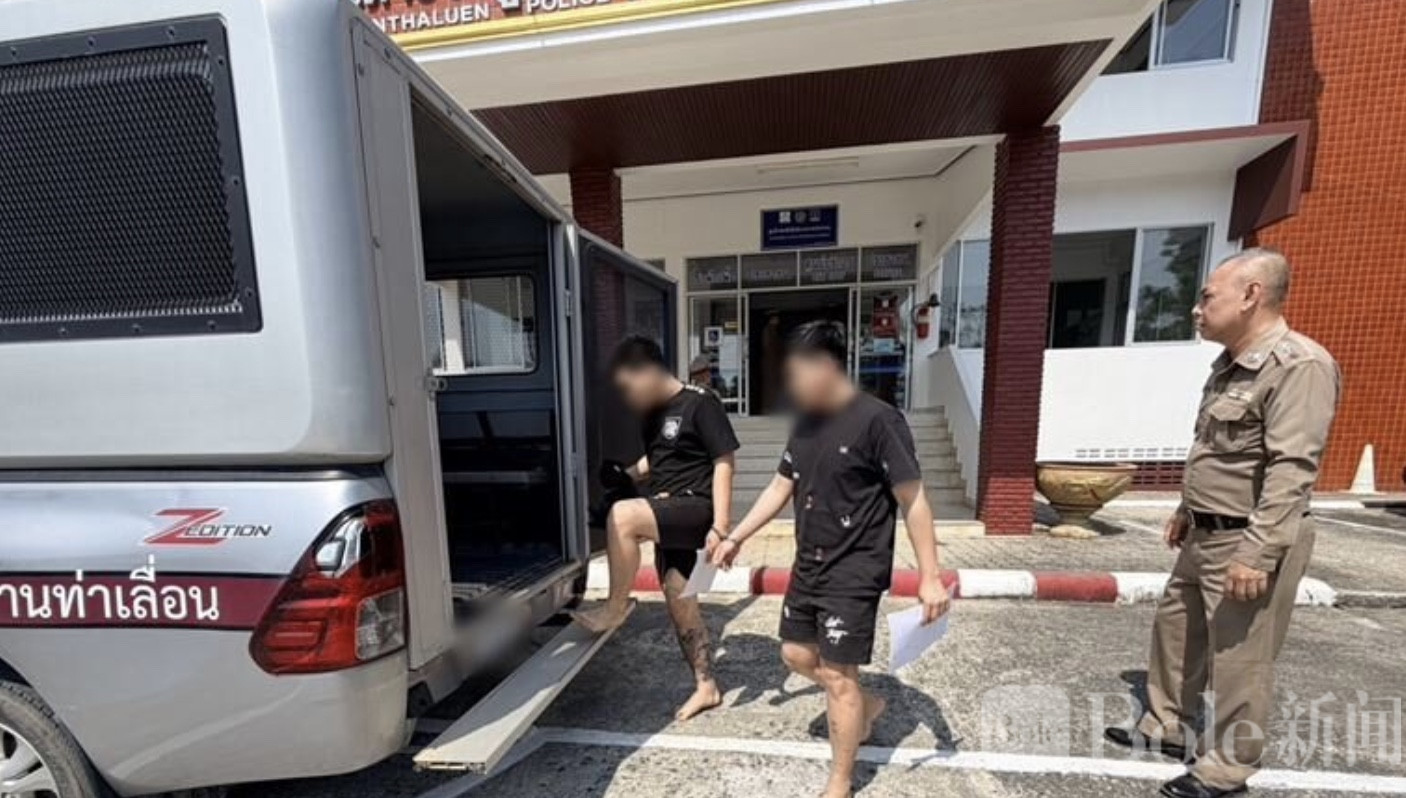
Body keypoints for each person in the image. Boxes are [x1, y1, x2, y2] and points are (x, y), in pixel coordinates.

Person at [1104, 249, 1340, 798]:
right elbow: (1215, 451)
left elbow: (1292, 469)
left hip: (1246, 537)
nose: (1196, 309)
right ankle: (1167, 725)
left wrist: (1258, 553)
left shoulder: (1299, 366)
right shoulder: (1230, 366)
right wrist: (1186, 509)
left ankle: (1227, 770)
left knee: (1240, 656)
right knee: (1177, 630)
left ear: (1251, 294)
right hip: (1206, 532)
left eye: (1207, 296)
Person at [713, 320, 950, 798]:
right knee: (795, 654)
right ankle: (867, 704)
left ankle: (839, 782)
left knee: (840, 678)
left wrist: (930, 575)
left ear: (824, 365)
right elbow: (779, 487)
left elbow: (913, 499)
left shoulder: (879, 420)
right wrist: (734, 536)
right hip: (809, 565)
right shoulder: (806, 423)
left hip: (855, 570)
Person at [573, 335, 740, 721]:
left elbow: (724, 462)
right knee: (679, 599)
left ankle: (615, 608)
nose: (627, 396)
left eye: (628, 386)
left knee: (623, 516)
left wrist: (721, 527)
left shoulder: (701, 402)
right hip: (669, 510)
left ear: (648, 371)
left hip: (697, 508)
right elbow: (659, 458)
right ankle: (706, 686)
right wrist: (625, 475)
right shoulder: (652, 415)